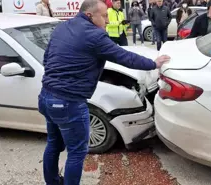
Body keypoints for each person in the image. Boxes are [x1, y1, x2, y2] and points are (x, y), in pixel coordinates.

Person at [38, 0, 170, 185]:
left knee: (53, 143)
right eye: (104, 16)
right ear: (90, 15)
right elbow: (124, 57)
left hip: (45, 97)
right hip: (69, 102)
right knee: (76, 152)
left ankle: (52, 182)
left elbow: (47, 58)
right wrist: (153, 64)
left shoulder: (62, 27)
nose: (108, 21)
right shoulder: (94, 36)